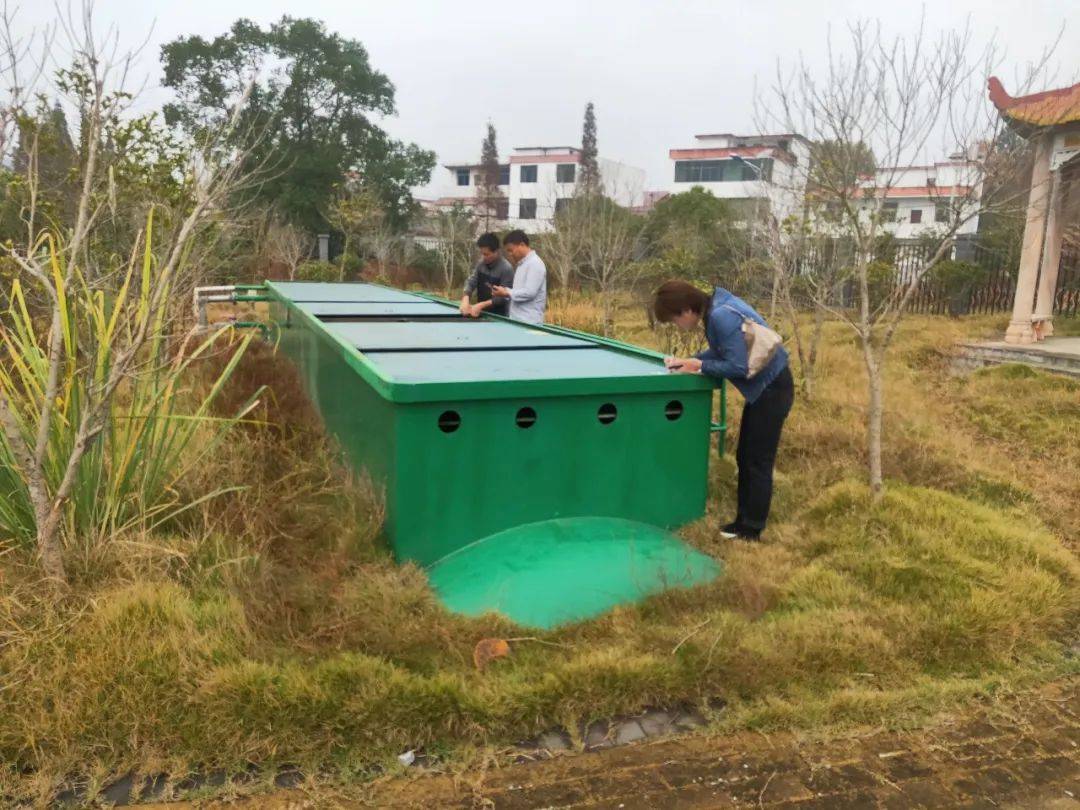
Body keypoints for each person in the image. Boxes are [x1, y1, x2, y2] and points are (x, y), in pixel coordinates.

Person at [653, 280, 793, 541]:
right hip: (765, 390)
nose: (678, 326)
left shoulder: (719, 316)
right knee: (745, 456)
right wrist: (691, 360)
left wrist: (699, 366)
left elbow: (737, 366)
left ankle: (751, 529)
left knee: (757, 460)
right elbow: (724, 351)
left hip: (773, 391)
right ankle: (742, 523)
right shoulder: (717, 306)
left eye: (674, 320)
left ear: (685, 310)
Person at [492, 230, 547, 324]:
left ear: (522, 245)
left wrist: (507, 292)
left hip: (530, 323)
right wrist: (504, 292)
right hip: (518, 320)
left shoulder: (535, 263)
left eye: (511, 250)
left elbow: (529, 292)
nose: (510, 254)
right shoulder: (521, 264)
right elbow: (518, 292)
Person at [460, 232, 515, 318]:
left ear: (496, 251)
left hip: (499, 317)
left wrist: (482, 305)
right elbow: (471, 282)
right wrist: (465, 297)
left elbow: (504, 297)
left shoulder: (506, 269)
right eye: (481, 253)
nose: (483, 257)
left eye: (486, 254)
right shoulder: (481, 264)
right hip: (480, 313)